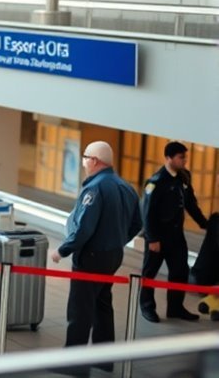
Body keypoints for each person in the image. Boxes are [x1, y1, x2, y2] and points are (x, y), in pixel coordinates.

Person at [50, 141, 141, 366]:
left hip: (91, 258)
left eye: (85, 158)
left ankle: (73, 364)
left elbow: (84, 228)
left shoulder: (95, 189)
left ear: (94, 161)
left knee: (80, 309)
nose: (83, 163)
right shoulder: (126, 187)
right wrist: (118, 240)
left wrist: (62, 250)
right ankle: (104, 360)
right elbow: (137, 224)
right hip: (113, 256)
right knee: (102, 305)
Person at [140, 141, 207, 323]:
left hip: (176, 237)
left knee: (180, 271)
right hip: (157, 237)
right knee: (150, 273)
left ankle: (175, 308)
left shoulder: (184, 177)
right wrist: (152, 239)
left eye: (185, 157)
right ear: (168, 158)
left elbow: (190, 203)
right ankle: (147, 307)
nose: (185, 160)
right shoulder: (156, 181)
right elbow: (147, 212)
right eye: (181, 157)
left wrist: (204, 223)